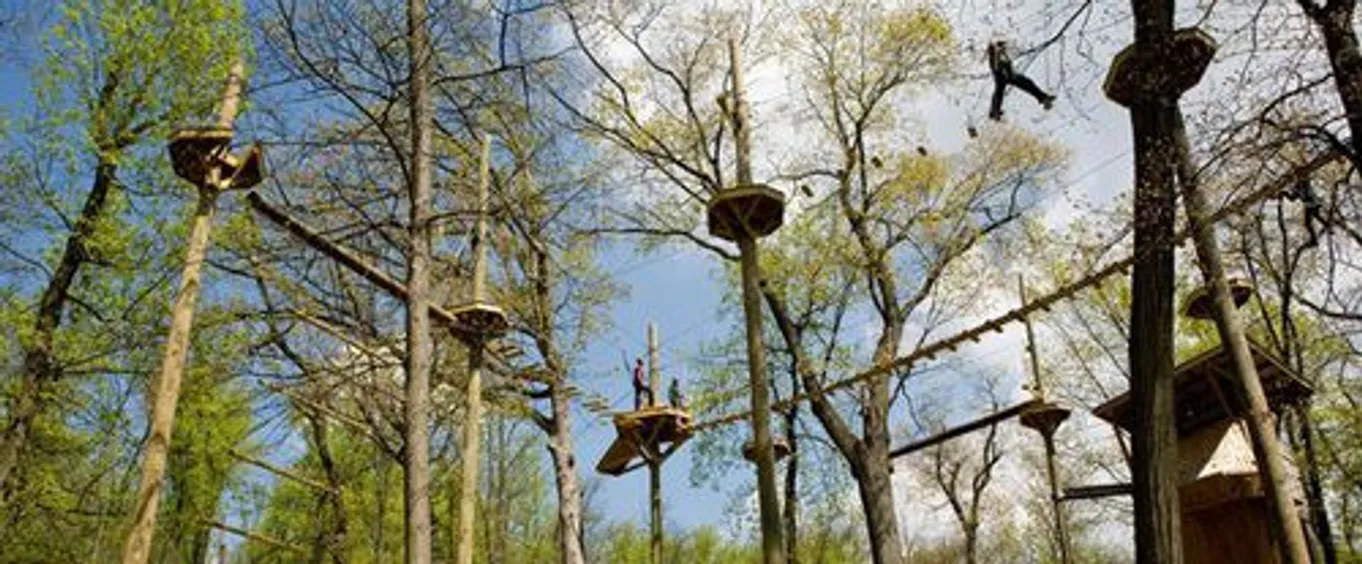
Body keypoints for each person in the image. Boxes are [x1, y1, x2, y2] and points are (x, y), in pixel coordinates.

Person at [987, 40, 1056, 121]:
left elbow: (1006, 63)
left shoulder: (1002, 54)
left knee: (1027, 83)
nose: (1004, 48)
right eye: (1003, 46)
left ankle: (1043, 98)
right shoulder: (995, 53)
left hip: (1009, 75)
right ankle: (994, 112)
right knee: (999, 91)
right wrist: (996, 49)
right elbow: (995, 64)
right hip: (1002, 75)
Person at [1286, 177, 1325, 248]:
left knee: (1315, 216)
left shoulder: (1304, 184)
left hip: (1314, 203)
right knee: (1308, 223)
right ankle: (1314, 240)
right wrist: (1284, 193)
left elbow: (1307, 183)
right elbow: (1292, 198)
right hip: (1309, 205)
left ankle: (1327, 226)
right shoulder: (1297, 190)